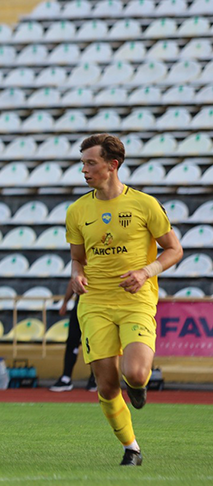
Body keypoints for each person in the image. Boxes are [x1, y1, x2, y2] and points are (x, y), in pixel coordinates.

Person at [66, 133, 182, 466]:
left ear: (112, 165)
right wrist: (76, 274)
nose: (84, 170)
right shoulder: (77, 210)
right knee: (105, 385)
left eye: (91, 163)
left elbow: (174, 249)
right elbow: (77, 258)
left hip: (136, 300)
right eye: (83, 163)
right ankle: (132, 448)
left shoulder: (145, 205)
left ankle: (138, 386)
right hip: (95, 303)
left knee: (136, 374)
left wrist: (147, 271)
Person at [49, 284, 96, 393]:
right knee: (72, 341)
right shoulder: (79, 271)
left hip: (96, 306)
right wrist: (65, 301)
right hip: (80, 305)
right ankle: (66, 377)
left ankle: (95, 378)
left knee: (94, 342)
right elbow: (73, 280)